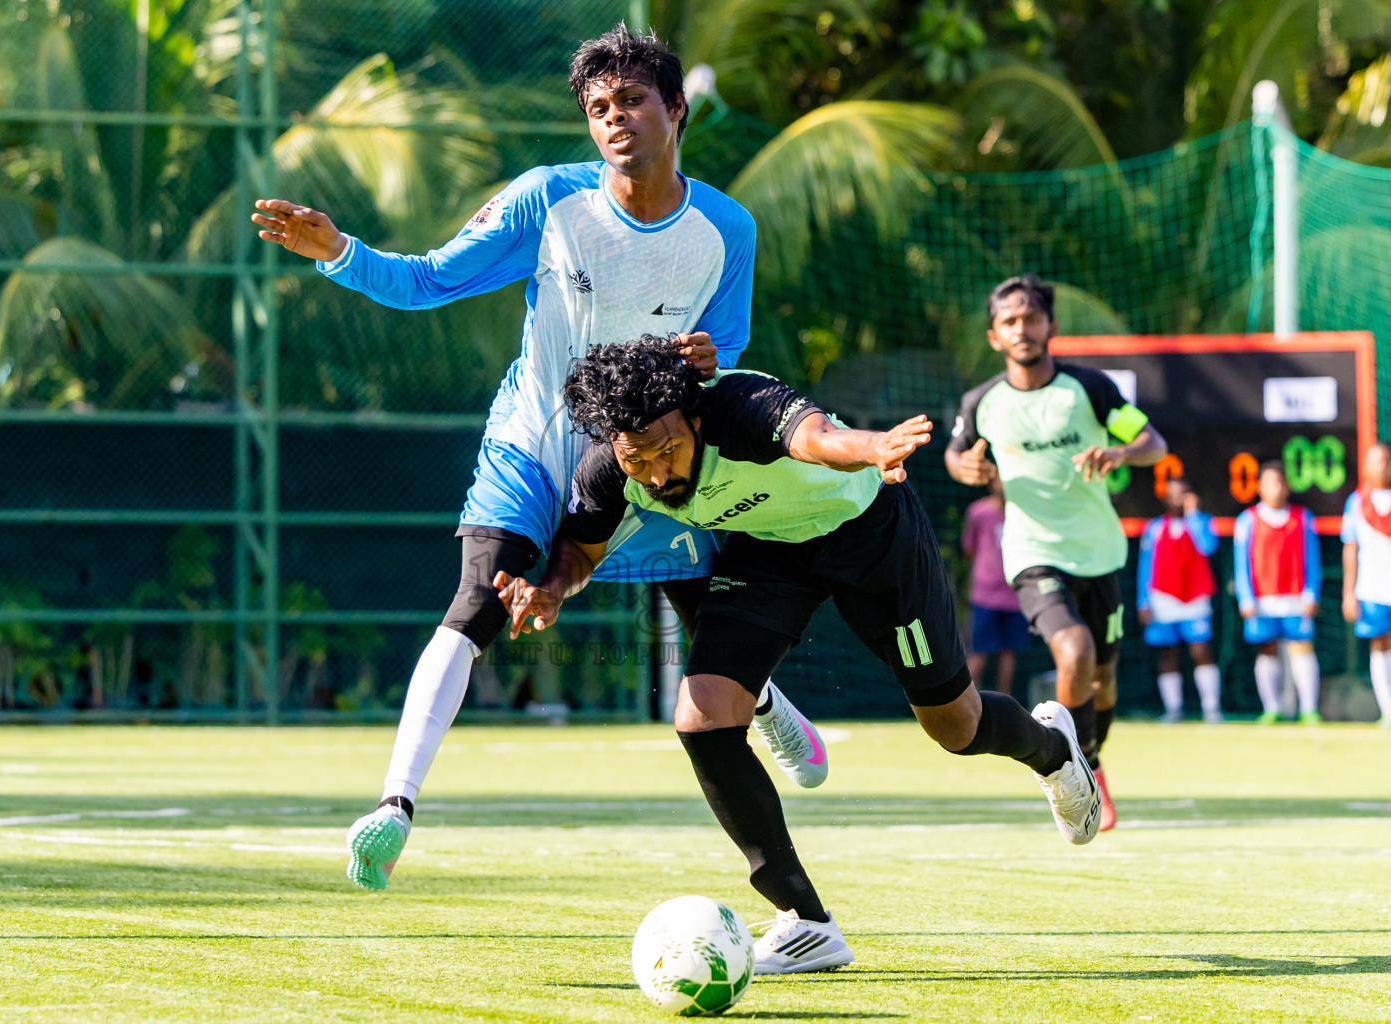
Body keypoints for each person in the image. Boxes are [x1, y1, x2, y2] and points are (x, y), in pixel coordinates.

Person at [248, 24, 827, 890]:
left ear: (675, 109)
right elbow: (427, 279)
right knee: (478, 600)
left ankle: (770, 703)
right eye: (597, 108)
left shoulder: (726, 228)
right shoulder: (545, 200)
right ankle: (394, 806)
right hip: (531, 441)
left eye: (631, 100)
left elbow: (729, 349)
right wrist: (338, 251)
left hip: (647, 455)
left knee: (711, 634)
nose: (614, 119)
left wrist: (706, 364)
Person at [498, 337, 1102, 975]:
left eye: (667, 451)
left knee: (956, 726)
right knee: (702, 717)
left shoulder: (740, 405)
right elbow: (581, 550)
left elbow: (815, 438)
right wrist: (552, 588)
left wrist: (870, 447)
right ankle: (803, 918)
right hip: (772, 552)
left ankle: (1053, 749)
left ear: (696, 418)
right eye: (636, 460)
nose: (655, 475)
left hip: (870, 532)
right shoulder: (613, 463)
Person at [944, 274, 1167, 832]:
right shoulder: (983, 403)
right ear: (995, 336)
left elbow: (1153, 443)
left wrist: (1119, 452)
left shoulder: (1088, 389)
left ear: (1051, 327)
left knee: (1104, 677)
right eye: (1010, 321)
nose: (1023, 328)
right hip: (1032, 553)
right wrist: (963, 466)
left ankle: (1090, 763)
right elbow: (955, 453)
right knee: (1074, 652)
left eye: (1032, 317)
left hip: (1100, 553)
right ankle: (1069, 775)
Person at [1234, 461, 1322, 725]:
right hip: (1262, 601)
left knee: (1302, 649)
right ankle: (1271, 709)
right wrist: (1245, 597)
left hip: (1296, 598)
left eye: (1281, 482)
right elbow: (1242, 563)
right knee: (1266, 650)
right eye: (1270, 482)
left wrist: (1311, 593)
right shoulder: (1247, 520)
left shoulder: (1303, 517)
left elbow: (1312, 559)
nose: (1277, 488)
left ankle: (1308, 709)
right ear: (1259, 487)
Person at [1136, 477, 1222, 723]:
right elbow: (1146, 567)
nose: (1178, 499)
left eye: (1183, 494)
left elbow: (1207, 547)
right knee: (1167, 653)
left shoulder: (1203, 522)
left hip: (1195, 599)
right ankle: (1173, 709)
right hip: (1162, 600)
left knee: (1201, 650)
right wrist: (1144, 601)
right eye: (1173, 494)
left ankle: (1211, 708)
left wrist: (1193, 515)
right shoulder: (1154, 528)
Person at [962, 476, 1029, 698]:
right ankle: (966, 703)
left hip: (1015, 595)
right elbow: (969, 548)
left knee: (1008, 653)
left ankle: (1005, 703)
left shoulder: (1023, 513)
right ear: (991, 483)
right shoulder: (978, 511)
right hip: (985, 595)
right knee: (978, 652)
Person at [1343, 441, 1391, 727]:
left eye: (1385, 459)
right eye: (1375, 461)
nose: (1381, 466)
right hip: (1372, 587)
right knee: (1380, 643)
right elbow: (1351, 548)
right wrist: (1349, 592)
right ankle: (1387, 710)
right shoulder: (1356, 502)